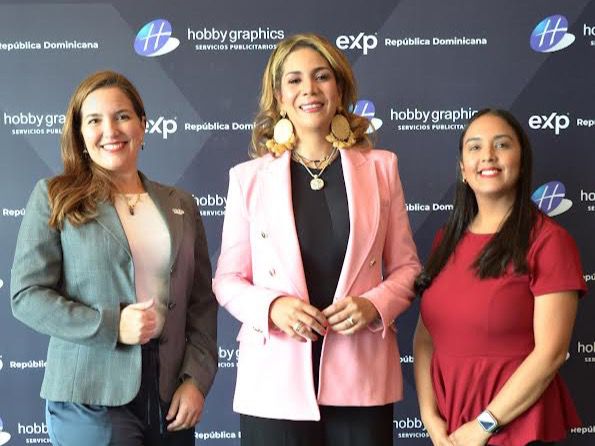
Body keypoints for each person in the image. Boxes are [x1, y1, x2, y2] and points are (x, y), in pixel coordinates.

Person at [212, 33, 421, 446]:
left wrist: (373, 305)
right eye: (294, 80)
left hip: (361, 375)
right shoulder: (248, 179)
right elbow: (228, 279)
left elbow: (408, 268)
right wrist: (273, 307)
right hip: (275, 382)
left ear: (339, 88)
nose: (309, 89)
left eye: (321, 76)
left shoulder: (381, 169)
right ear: (279, 95)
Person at [10, 70, 217, 446]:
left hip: (169, 396)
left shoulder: (181, 204)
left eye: (122, 115)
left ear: (142, 125)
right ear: (80, 134)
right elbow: (26, 297)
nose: (111, 129)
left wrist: (196, 381)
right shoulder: (54, 196)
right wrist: (111, 326)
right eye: (94, 120)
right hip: (89, 396)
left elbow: (201, 304)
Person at [413, 109, 586, 446]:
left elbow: (551, 351)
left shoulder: (549, 241)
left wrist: (484, 425)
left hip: (513, 427)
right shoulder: (445, 239)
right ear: (463, 168)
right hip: (451, 429)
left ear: (522, 162)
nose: (487, 155)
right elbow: (425, 337)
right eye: (474, 147)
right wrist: (430, 417)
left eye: (502, 145)